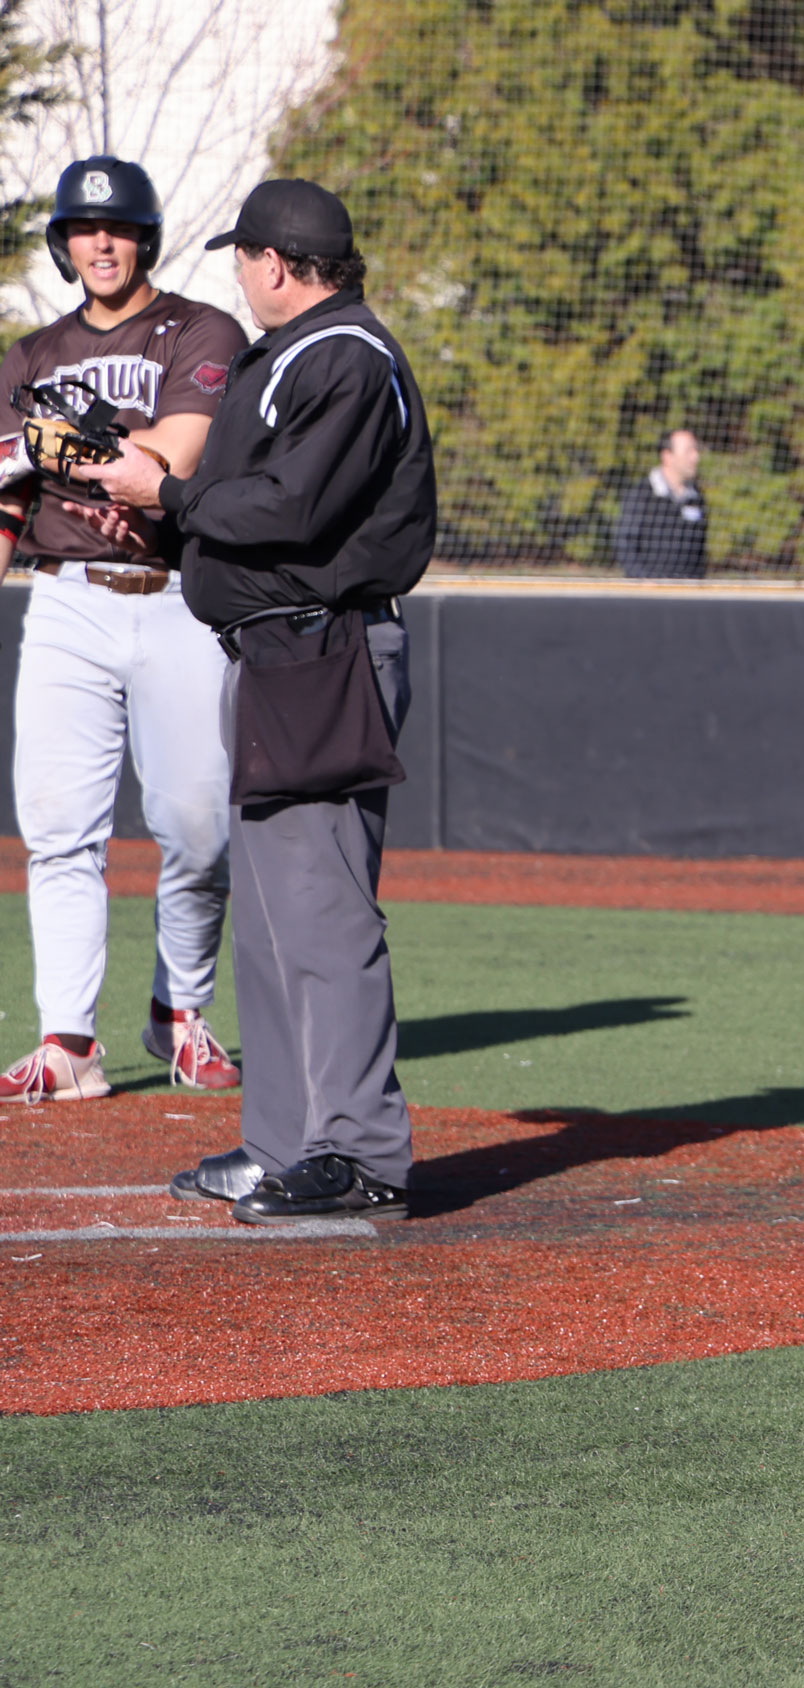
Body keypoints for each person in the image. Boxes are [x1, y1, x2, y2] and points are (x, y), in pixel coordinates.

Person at [75, 178, 434, 1224]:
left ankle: (362, 1149)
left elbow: (293, 504)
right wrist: (156, 516)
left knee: (323, 910)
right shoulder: (298, 356)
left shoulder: (349, 357)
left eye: (246, 256)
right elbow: (247, 507)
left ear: (278, 263)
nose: (239, 271)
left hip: (326, 649)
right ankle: (288, 1143)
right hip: (275, 652)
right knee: (274, 919)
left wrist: (172, 495)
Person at [0, 156, 246, 1102]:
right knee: (59, 830)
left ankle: (181, 1011)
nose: (101, 243)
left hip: (177, 594)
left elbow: (174, 452)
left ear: (147, 235)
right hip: (63, 595)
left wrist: (87, 452)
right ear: (62, 243)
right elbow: (10, 485)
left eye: (119, 228)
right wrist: (29, 449)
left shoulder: (199, 328)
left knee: (196, 827)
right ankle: (68, 1040)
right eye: (83, 229)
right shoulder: (28, 357)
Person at [610, 428, 706, 579]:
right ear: (667, 456)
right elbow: (625, 544)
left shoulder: (697, 498)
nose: (695, 457)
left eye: (696, 450)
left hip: (687, 596)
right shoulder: (641, 494)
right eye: (688, 451)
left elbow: (700, 554)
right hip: (649, 596)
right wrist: (643, 581)